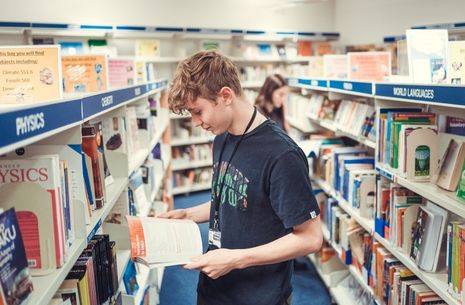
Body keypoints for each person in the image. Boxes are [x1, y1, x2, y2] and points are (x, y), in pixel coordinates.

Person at [160, 50, 323, 305]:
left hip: (260, 297)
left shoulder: (282, 155)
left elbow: (311, 238)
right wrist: (188, 215)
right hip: (213, 288)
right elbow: (233, 198)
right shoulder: (221, 137)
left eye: (198, 111)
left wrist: (236, 259)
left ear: (225, 96)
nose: (195, 122)